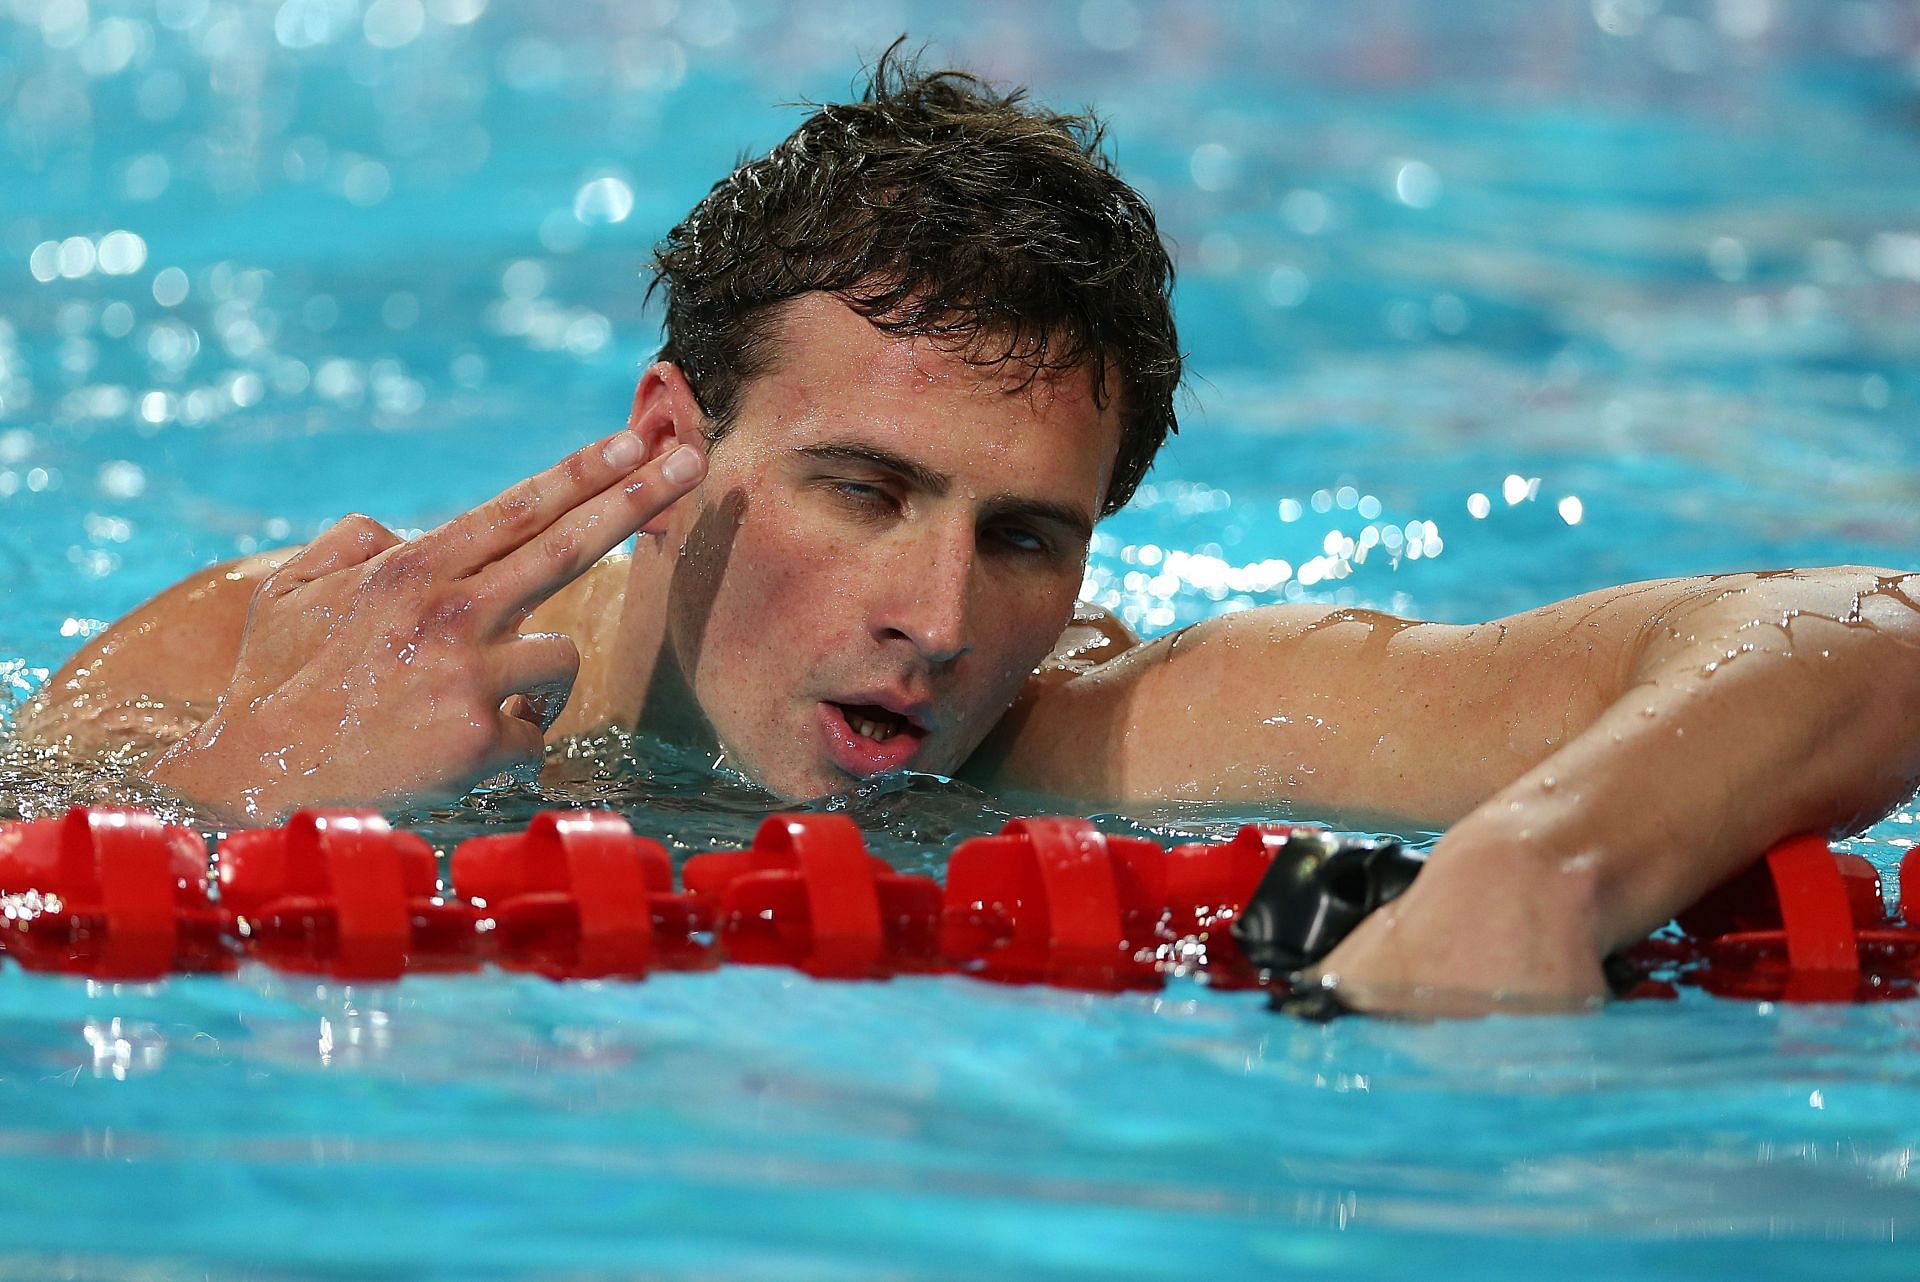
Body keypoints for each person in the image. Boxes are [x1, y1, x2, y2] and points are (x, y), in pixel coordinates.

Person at [15, 52, 1920, 1014]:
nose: (937, 617)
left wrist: (1554, 871)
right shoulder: (275, 652)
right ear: (674, 440)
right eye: (866, 490)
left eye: (1028, 535)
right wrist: (237, 793)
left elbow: (1870, 624)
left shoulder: (1111, 732)